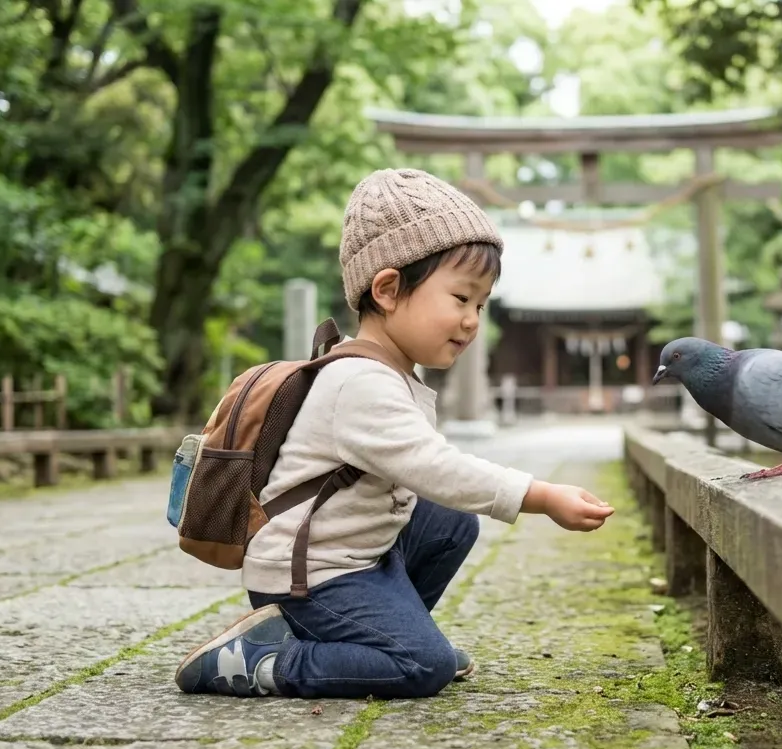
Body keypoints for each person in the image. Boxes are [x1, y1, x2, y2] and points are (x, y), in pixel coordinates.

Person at [173, 168, 615, 700]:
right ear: (387, 289)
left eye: (481, 304)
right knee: (421, 669)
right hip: (308, 579)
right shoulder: (361, 381)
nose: (473, 320)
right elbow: (435, 467)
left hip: (348, 557)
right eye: (460, 298)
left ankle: (378, 642)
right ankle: (267, 659)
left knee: (450, 522)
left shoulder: (387, 372)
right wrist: (539, 496)